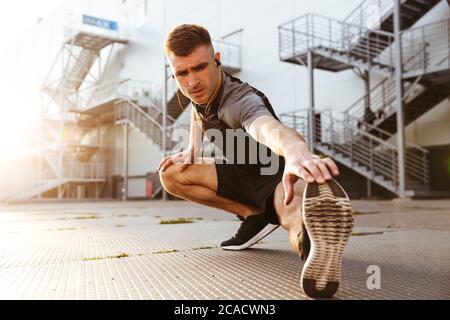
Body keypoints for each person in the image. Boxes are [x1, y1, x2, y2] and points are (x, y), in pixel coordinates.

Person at [158, 24, 353, 298]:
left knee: (293, 214)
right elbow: (196, 112)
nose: (191, 82)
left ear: (217, 60)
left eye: (200, 68)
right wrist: (192, 149)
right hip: (238, 171)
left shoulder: (240, 100)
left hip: (272, 174)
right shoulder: (197, 93)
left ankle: (314, 248)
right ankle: (254, 215)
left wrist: (296, 151)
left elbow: (266, 127)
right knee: (171, 173)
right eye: (182, 73)